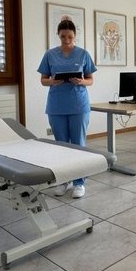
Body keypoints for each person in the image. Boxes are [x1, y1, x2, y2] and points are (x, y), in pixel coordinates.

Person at [37, 19, 96, 198]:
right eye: (63, 36)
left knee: (78, 144)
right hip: (57, 105)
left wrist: (81, 81)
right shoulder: (50, 55)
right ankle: (64, 181)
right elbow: (43, 80)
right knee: (61, 145)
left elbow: (91, 80)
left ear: (75, 36)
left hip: (79, 104)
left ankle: (79, 182)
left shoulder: (83, 54)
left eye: (70, 37)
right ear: (58, 35)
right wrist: (51, 81)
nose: (66, 40)